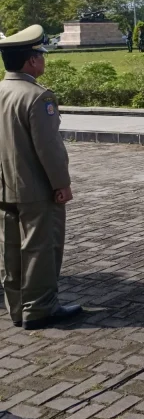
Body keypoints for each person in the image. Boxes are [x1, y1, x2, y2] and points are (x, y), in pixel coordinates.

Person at [0, 25, 82, 330]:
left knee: (10, 249)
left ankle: (18, 308)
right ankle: (41, 308)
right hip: (35, 187)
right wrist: (62, 184)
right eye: (40, 56)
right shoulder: (37, 96)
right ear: (31, 61)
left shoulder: (2, 90)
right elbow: (49, 149)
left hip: (5, 184)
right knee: (41, 248)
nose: (43, 61)